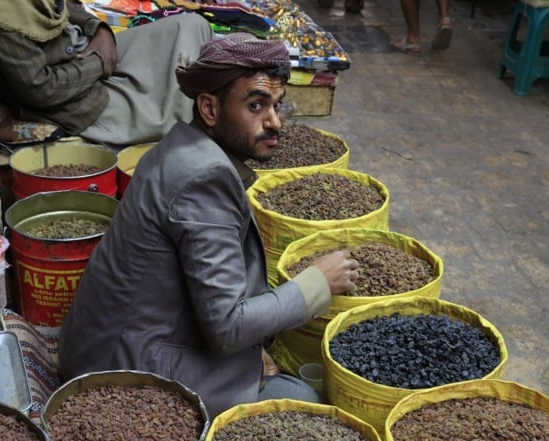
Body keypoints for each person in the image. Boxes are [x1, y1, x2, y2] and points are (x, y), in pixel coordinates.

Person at [57, 32, 360, 417]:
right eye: (256, 106)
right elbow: (228, 326)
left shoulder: (176, 147)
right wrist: (317, 281)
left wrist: (254, 349)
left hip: (110, 340)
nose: (274, 123)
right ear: (210, 109)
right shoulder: (203, 180)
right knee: (305, 401)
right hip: (121, 373)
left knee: (270, 363)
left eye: (277, 107)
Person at [0, 0, 213, 147]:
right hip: (73, 95)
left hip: (83, 49)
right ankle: (188, 140)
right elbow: (42, 90)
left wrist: (99, 30)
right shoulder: (0, 17)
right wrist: (97, 62)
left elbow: (69, 7)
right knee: (165, 108)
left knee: (191, 26)